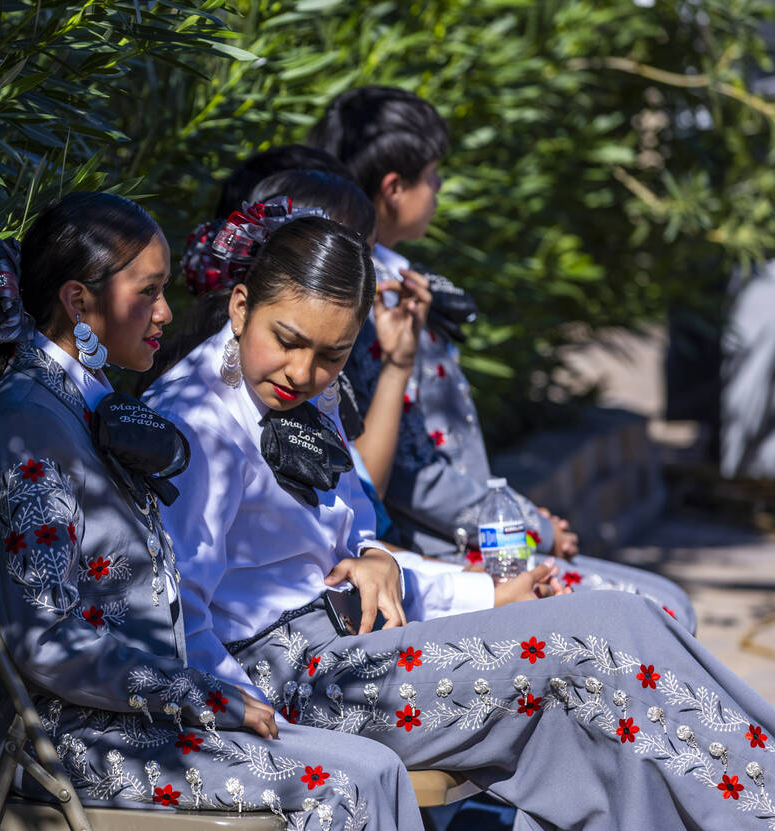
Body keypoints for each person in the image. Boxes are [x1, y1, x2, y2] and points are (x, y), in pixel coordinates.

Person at [145, 213, 775, 831]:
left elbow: (349, 523)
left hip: (350, 647)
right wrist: (250, 718)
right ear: (238, 306)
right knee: (607, 632)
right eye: (288, 341)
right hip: (293, 684)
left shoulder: (303, 393)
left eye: (332, 355)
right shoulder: (194, 421)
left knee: (585, 737)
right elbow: (178, 611)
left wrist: (374, 556)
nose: (304, 372)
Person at [0, 191, 424, 830]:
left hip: (147, 717)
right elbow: (42, 636)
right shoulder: (28, 423)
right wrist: (197, 692)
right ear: (78, 301)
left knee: (375, 768)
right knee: (345, 783)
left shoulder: (78, 405)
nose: (165, 312)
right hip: (84, 738)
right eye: (148, 292)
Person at [307, 86, 696, 628]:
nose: (439, 189)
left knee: (660, 601)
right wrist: (530, 526)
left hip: (457, 542)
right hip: (433, 551)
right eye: (434, 175)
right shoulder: (373, 299)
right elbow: (410, 476)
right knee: (660, 611)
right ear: (394, 188)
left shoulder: (398, 284)